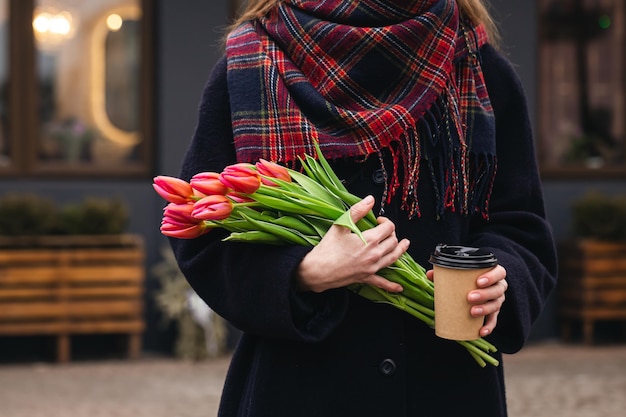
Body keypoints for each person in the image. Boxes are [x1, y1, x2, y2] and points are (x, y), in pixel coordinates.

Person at [169, 0, 558, 415]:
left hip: (447, 389)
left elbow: (521, 225)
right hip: (298, 391)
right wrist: (303, 273)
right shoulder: (253, 62)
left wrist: (499, 278)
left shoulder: (476, 65)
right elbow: (204, 230)